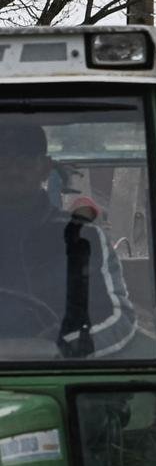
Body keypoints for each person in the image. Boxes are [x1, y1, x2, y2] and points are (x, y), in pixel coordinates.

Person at [0, 120, 141, 357]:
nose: (13, 172)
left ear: (45, 168)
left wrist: (62, 353)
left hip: (61, 377)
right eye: (3, 163)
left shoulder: (84, 237)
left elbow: (119, 320)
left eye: (24, 163)